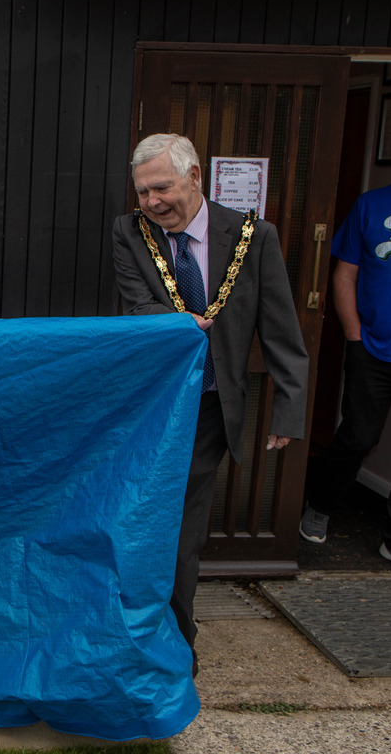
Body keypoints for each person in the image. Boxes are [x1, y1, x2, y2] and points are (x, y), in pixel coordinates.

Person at [111, 133, 308, 670]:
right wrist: (180, 323)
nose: (152, 202)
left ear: (194, 176)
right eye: (143, 192)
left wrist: (289, 409)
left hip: (208, 409)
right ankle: (137, 629)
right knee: (138, 518)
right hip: (148, 407)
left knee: (180, 526)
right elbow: (137, 304)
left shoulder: (253, 237)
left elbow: (281, 330)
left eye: (162, 188)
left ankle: (176, 644)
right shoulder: (129, 232)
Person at [300, 181, 391, 563]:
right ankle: (320, 505)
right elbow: (344, 275)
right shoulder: (371, 205)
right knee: (358, 436)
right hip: (372, 346)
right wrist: (355, 336)